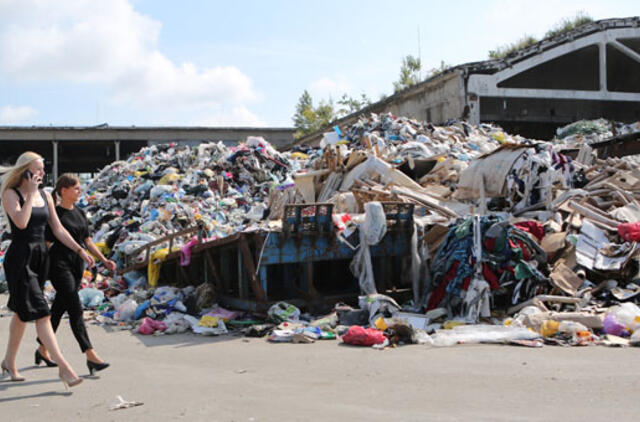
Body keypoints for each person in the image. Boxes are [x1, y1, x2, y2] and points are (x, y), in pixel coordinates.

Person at [0, 152, 93, 390]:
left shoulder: (45, 195)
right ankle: (64, 367)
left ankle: (9, 362)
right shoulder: (12, 194)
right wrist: (30, 194)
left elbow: (58, 229)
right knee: (42, 312)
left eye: (43, 169)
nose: (41, 174)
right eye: (37, 170)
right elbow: (20, 222)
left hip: (42, 257)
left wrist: (80, 250)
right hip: (20, 257)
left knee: (22, 312)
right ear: (24, 171)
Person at [36, 174, 114, 375]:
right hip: (59, 264)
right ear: (64, 190)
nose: (80, 191)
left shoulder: (79, 212)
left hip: (77, 265)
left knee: (59, 308)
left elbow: (87, 241)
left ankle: (42, 348)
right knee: (75, 309)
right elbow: (45, 244)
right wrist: (39, 271)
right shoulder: (55, 214)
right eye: (76, 188)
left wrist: (103, 259)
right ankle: (90, 354)